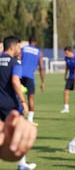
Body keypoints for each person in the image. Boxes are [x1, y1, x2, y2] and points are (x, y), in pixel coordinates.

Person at [0, 36, 36, 170]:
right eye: (18, 47)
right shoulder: (15, 62)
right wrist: (23, 100)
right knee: (18, 134)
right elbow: (15, 81)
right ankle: (22, 165)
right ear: (12, 47)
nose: (20, 50)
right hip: (11, 105)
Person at [21, 35, 45, 124]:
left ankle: (17, 116)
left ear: (28, 41)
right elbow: (41, 68)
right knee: (30, 98)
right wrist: (43, 82)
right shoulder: (39, 52)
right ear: (36, 42)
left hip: (19, 75)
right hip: (29, 76)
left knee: (17, 95)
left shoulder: (23, 49)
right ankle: (30, 120)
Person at [60, 46, 75, 114]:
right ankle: (66, 108)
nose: (65, 54)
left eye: (66, 52)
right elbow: (67, 67)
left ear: (70, 51)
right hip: (70, 77)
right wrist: (65, 75)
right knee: (65, 92)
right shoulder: (66, 58)